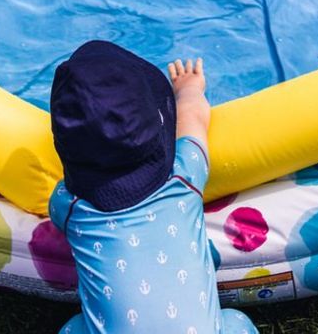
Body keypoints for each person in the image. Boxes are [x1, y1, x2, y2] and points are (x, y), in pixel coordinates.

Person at [48, 40, 258, 334]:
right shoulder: (185, 176)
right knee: (235, 322)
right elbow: (194, 117)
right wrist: (188, 90)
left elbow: (58, 210)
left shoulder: (70, 207)